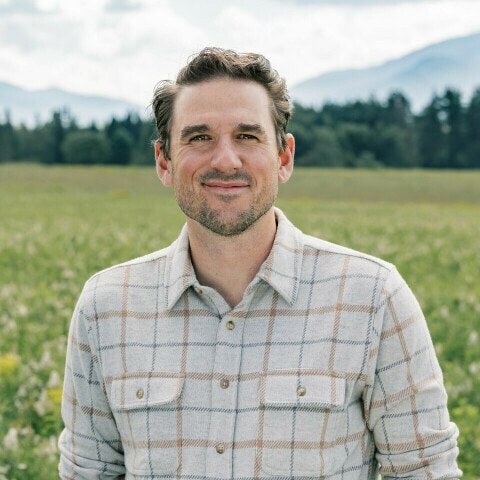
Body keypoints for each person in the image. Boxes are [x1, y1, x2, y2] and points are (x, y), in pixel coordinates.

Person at [59, 47, 461, 479]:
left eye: (247, 136)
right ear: (164, 161)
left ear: (284, 158)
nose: (225, 160)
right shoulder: (105, 308)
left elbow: (426, 471)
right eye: (199, 138)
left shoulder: (373, 298)